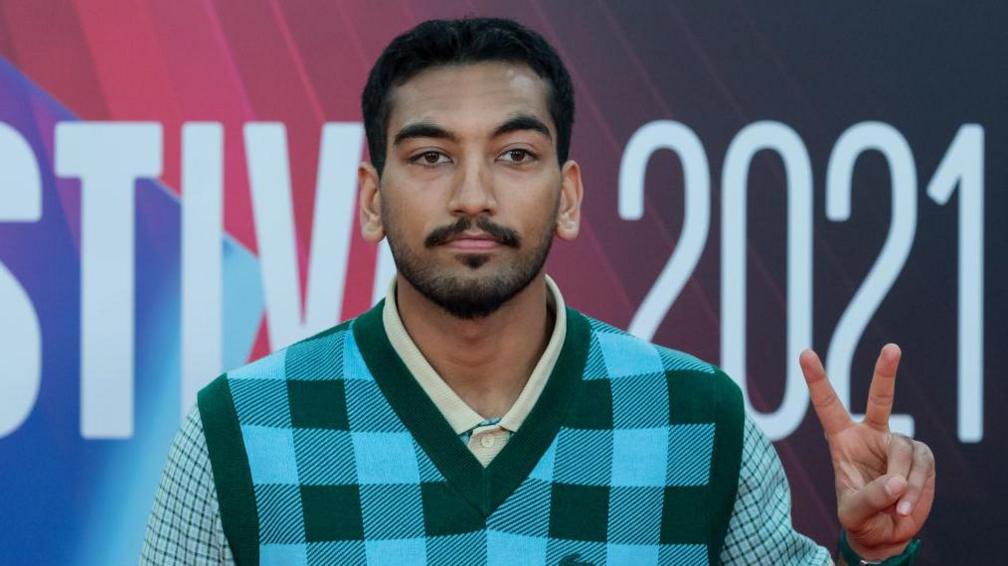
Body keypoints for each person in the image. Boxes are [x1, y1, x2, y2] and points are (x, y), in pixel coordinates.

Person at [142, 17, 934, 565]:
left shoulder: (696, 420)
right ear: (371, 199)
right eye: (429, 157)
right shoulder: (240, 432)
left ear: (570, 195)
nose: (473, 196)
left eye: (516, 154)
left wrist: (877, 552)